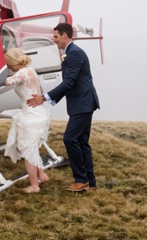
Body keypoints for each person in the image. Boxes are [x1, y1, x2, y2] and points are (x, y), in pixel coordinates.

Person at [28, 23, 99, 192]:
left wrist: (45, 97)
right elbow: (68, 83)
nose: (54, 40)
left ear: (65, 36)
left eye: (56, 37)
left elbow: (69, 82)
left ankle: (81, 180)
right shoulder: (69, 53)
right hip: (82, 103)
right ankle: (90, 181)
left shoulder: (74, 54)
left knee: (70, 138)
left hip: (83, 103)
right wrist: (47, 99)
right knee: (82, 142)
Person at [3, 48, 53, 194]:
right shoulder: (30, 70)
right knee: (30, 147)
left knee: (27, 149)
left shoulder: (22, 73)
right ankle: (41, 174)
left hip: (31, 115)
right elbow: (40, 89)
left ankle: (34, 185)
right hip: (37, 111)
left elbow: (7, 82)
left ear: (11, 62)